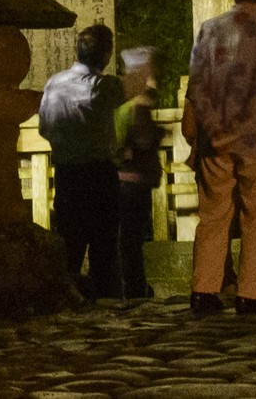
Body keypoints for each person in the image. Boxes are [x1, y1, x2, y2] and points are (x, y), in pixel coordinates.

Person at [184, 0, 256, 316]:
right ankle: (250, 293)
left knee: (213, 216)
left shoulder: (209, 29)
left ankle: (204, 289)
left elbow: (196, 82)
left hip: (214, 137)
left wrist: (205, 126)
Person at [39, 22, 124, 296]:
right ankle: (104, 298)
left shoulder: (54, 83)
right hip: (99, 172)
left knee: (70, 242)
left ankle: (70, 296)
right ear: (107, 54)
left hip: (66, 173)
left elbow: (44, 128)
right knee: (104, 244)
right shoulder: (105, 85)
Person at [109, 46, 165, 299]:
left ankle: (128, 286)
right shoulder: (138, 106)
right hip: (133, 180)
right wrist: (157, 134)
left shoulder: (121, 104)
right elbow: (143, 140)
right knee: (131, 240)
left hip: (120, 178)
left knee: (124, 238)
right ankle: (135, 288)